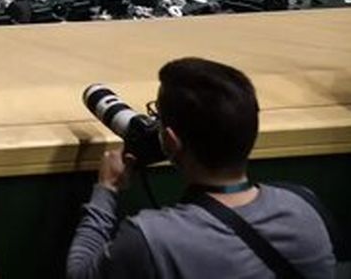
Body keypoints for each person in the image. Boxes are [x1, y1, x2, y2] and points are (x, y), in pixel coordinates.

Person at [66, 57, 335, 279]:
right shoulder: (305, 207)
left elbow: (79, 273)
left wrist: (106, 189)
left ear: (170, 142)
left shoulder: (151, 238)